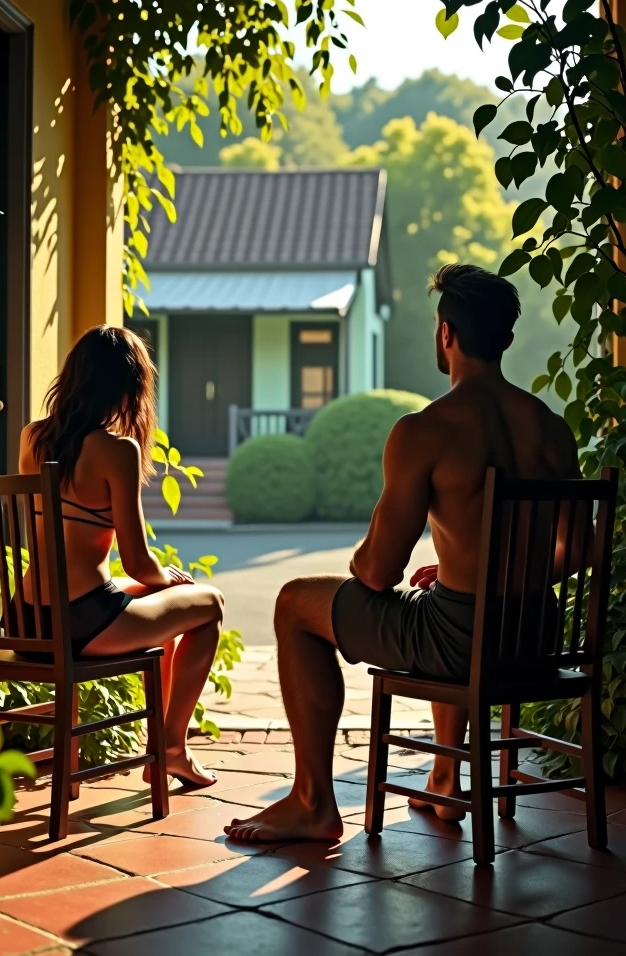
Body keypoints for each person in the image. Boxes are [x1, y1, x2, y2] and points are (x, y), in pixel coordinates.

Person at [225, 263, 580, 842]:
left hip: (462, 639)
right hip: (536, 635)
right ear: (508, 339)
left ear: (446, 333)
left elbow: (378, 572)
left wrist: (374, 550)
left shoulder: (425, 430)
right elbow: (581, 549)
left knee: (294, 603)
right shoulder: (550, 429)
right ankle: (443, 779)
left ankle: (313, 803)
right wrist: (484, 571)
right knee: (441, 597)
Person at [18, 325, 224, 789]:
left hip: (28, 619)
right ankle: (172, 749)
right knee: (207, 605)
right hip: (82, 621)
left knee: (162, 609)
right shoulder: (117, 450)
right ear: (127, 387)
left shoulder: (32, 437)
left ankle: (164, 749)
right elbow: (137, 562)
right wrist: (167, 578)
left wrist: (157, 585)